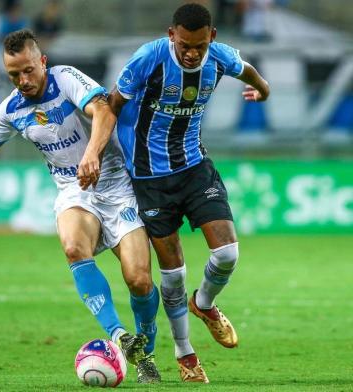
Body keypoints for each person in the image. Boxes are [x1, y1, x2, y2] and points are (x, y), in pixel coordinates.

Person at [82, 3, 270, 383]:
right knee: (172, 275)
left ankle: (204, 304)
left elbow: (246, 69)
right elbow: (111, 107)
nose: (191, 52)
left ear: (211, 38)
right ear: (172, 35)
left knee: (228, 252)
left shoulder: (218, 57)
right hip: (150, 180)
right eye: (184, 44)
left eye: (199, 46)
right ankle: (185, 353)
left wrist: (262, 90)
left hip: (195, 167)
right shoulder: (148, 59)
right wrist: (95, 154)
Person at [0, 29, 161, 384]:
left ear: (42, 61)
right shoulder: (11, 109)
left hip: (116, 184)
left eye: (28, 70)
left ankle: (146, 352)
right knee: (73, 247)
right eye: (13, 75)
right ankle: (118, 335)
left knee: (139, 280)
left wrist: (91, 154)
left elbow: (102, 110)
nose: (23, 80)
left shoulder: (65, 79)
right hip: (74, 190)